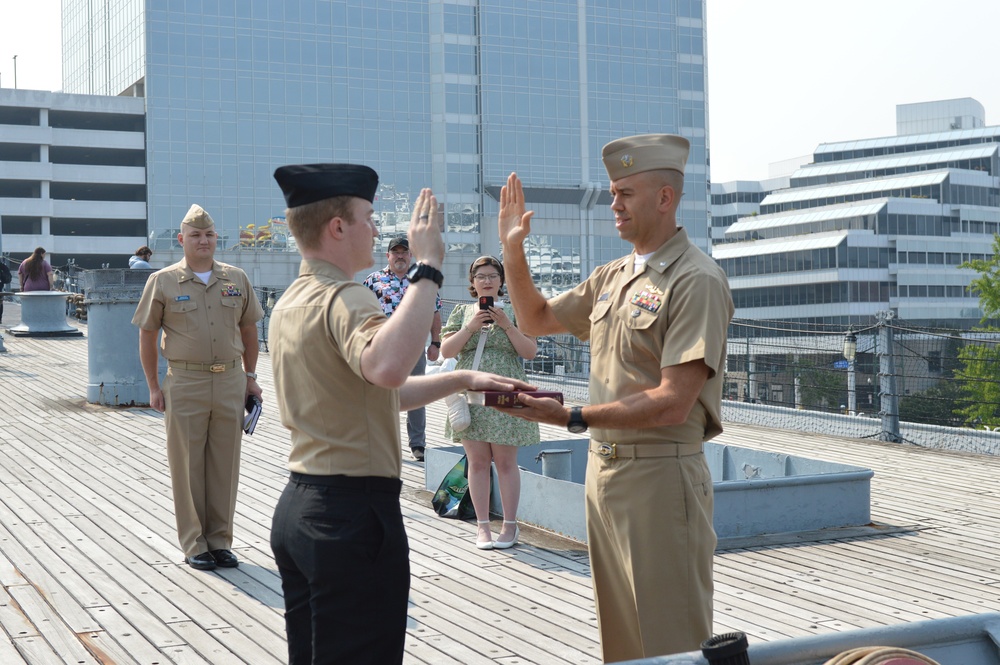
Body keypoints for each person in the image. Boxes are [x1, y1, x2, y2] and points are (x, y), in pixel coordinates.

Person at [267, 163, 535, 665]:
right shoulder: (345, 297)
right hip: (351, 515)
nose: (376, 228)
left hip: (302, 505)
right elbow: (389, 367)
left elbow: (371, 393)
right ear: (337, 227)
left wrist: (461, 378)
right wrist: (429, 268)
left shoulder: (292, 300)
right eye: (367, 217)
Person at [497, 135, 735, 662]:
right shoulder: (613, 277)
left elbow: (674, 401)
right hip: (604, 476)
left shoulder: (697, 280)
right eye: (612, 193)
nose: (614, 205)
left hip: (659, 477)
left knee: (670, 640)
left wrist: (571, 415)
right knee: (623, 643)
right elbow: (534, 319)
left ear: (665, 198)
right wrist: (513, 251)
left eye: (626, 192)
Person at [132, 204, 264, 571]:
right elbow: (147, 334)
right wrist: (153, 387)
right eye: (195, 235)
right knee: (187, 464)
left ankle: (220, 541)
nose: (203, 240)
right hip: (185, 380)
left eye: (208, 234)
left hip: (230, 380)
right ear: (181, 240)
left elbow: (250, 331)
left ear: (215, 238)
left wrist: (250, 378)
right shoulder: (163, 281)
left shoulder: (236, 279)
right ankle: (194, 542)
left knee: (225, 464)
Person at [440, 256, 539, 550]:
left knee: (507, 463)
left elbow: (529, 352)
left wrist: (507, 324)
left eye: (492, 275)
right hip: (471, 393)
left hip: (507, 393)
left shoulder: (517, 311)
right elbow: (447, 350)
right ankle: (483, 526)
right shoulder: (462, 312)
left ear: (501, 280)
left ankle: (510, 525)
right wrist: (471, 326)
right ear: (472, 282)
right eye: (480, 276)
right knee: (479, 462)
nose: (486, 280)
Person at [362, 235, 443, 461]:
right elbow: (360, 313)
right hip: (381, 346)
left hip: (414, 345)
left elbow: (435, 313)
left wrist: (435, 342)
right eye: (395, 252)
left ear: (410, 255)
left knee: (416, 395)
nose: (399, 256)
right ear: (388, 255)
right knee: (379, 394)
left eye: (403, 252)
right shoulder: (372, 280)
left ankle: (418, 444)